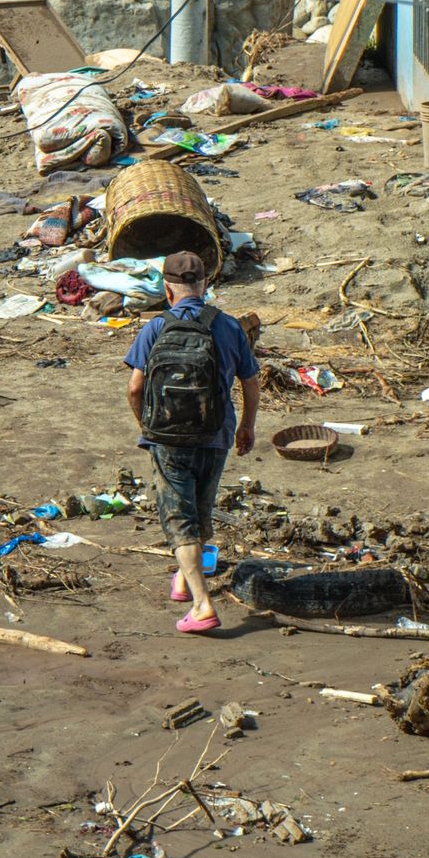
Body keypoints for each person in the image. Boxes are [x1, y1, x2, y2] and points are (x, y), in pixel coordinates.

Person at [123, 250, 261, 633]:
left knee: (178, 520)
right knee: (200, 512)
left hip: (168, 439)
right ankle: (185, 580)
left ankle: (203, 607)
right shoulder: (229, 326)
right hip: (215, 436)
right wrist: (246, 427)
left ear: (167, 291)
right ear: (206, 285)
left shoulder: (155, 327)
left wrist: (148, 425)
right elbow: (251, 381)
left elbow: (135, 387)